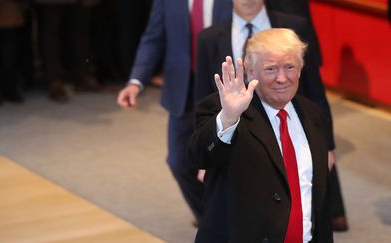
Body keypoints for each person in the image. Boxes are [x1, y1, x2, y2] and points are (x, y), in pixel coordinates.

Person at [194, 0, 347, 231]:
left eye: (290, 67)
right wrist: (227, 118)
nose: (282, 78)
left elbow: (313, 202)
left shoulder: (312, 116)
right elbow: (201, 153)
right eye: (271, 69)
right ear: (250, 71)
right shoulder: (229, 116)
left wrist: (329, 147)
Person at [117, 0, 233, 223]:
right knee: (179, 161)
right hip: (183, 88)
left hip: (226, 90)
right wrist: (136, 81)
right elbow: (153, 37)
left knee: (225, 165)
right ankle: (211, 219)